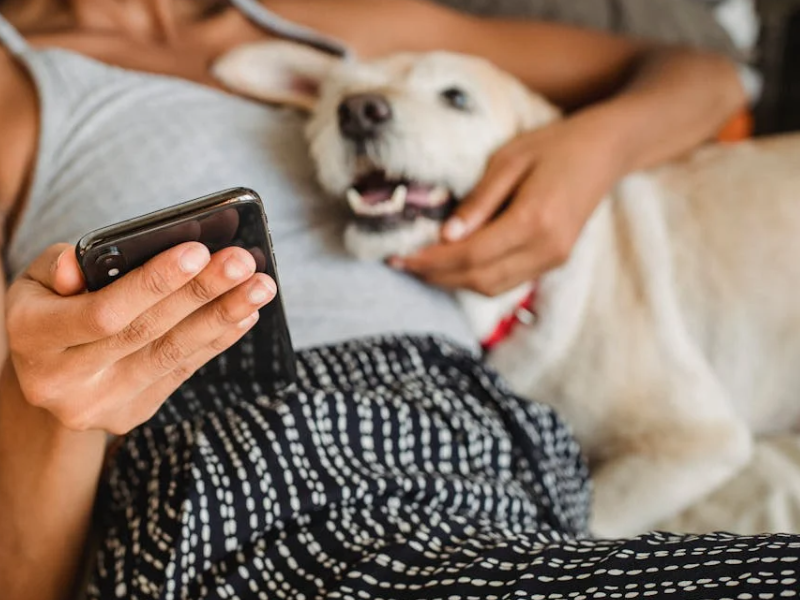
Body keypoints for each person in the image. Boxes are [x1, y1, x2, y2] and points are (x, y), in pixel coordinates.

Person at [1, 1, 797, 599]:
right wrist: (51, 404)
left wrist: (585, 153)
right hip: (256, 462)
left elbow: (712, 78)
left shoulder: (329, 23)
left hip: (509, 454)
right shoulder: (20, 84)